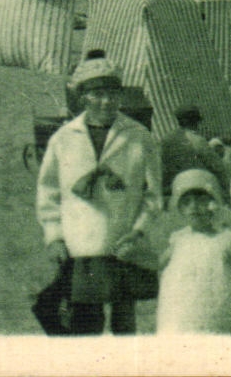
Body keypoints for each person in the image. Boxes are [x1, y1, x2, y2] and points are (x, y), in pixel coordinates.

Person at [35, 55, 163, 335]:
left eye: (112, 94)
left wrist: (138, 232)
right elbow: (49, 192)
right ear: (84, 98)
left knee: (124, 324)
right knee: (86, 322)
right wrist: (54, 236)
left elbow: (154, 195)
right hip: (81, 245)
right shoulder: (64, 138)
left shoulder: (138, 137)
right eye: (98, 94)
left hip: (124, 244)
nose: (106, 102)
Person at [156, 169, 231, 334]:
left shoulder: (227, 240)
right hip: (181, 316)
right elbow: (158, 264)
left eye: (202, 201)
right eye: (187, 202)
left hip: (215, 313)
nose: (194, 207)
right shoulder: (178, 239)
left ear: (214, 204)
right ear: (180, 208)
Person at [159, 106, 231, 191]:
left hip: (176, 186)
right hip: (199, 185)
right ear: (196, 122)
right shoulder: (197, 140)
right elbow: (216, 166)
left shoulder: (166, 139)